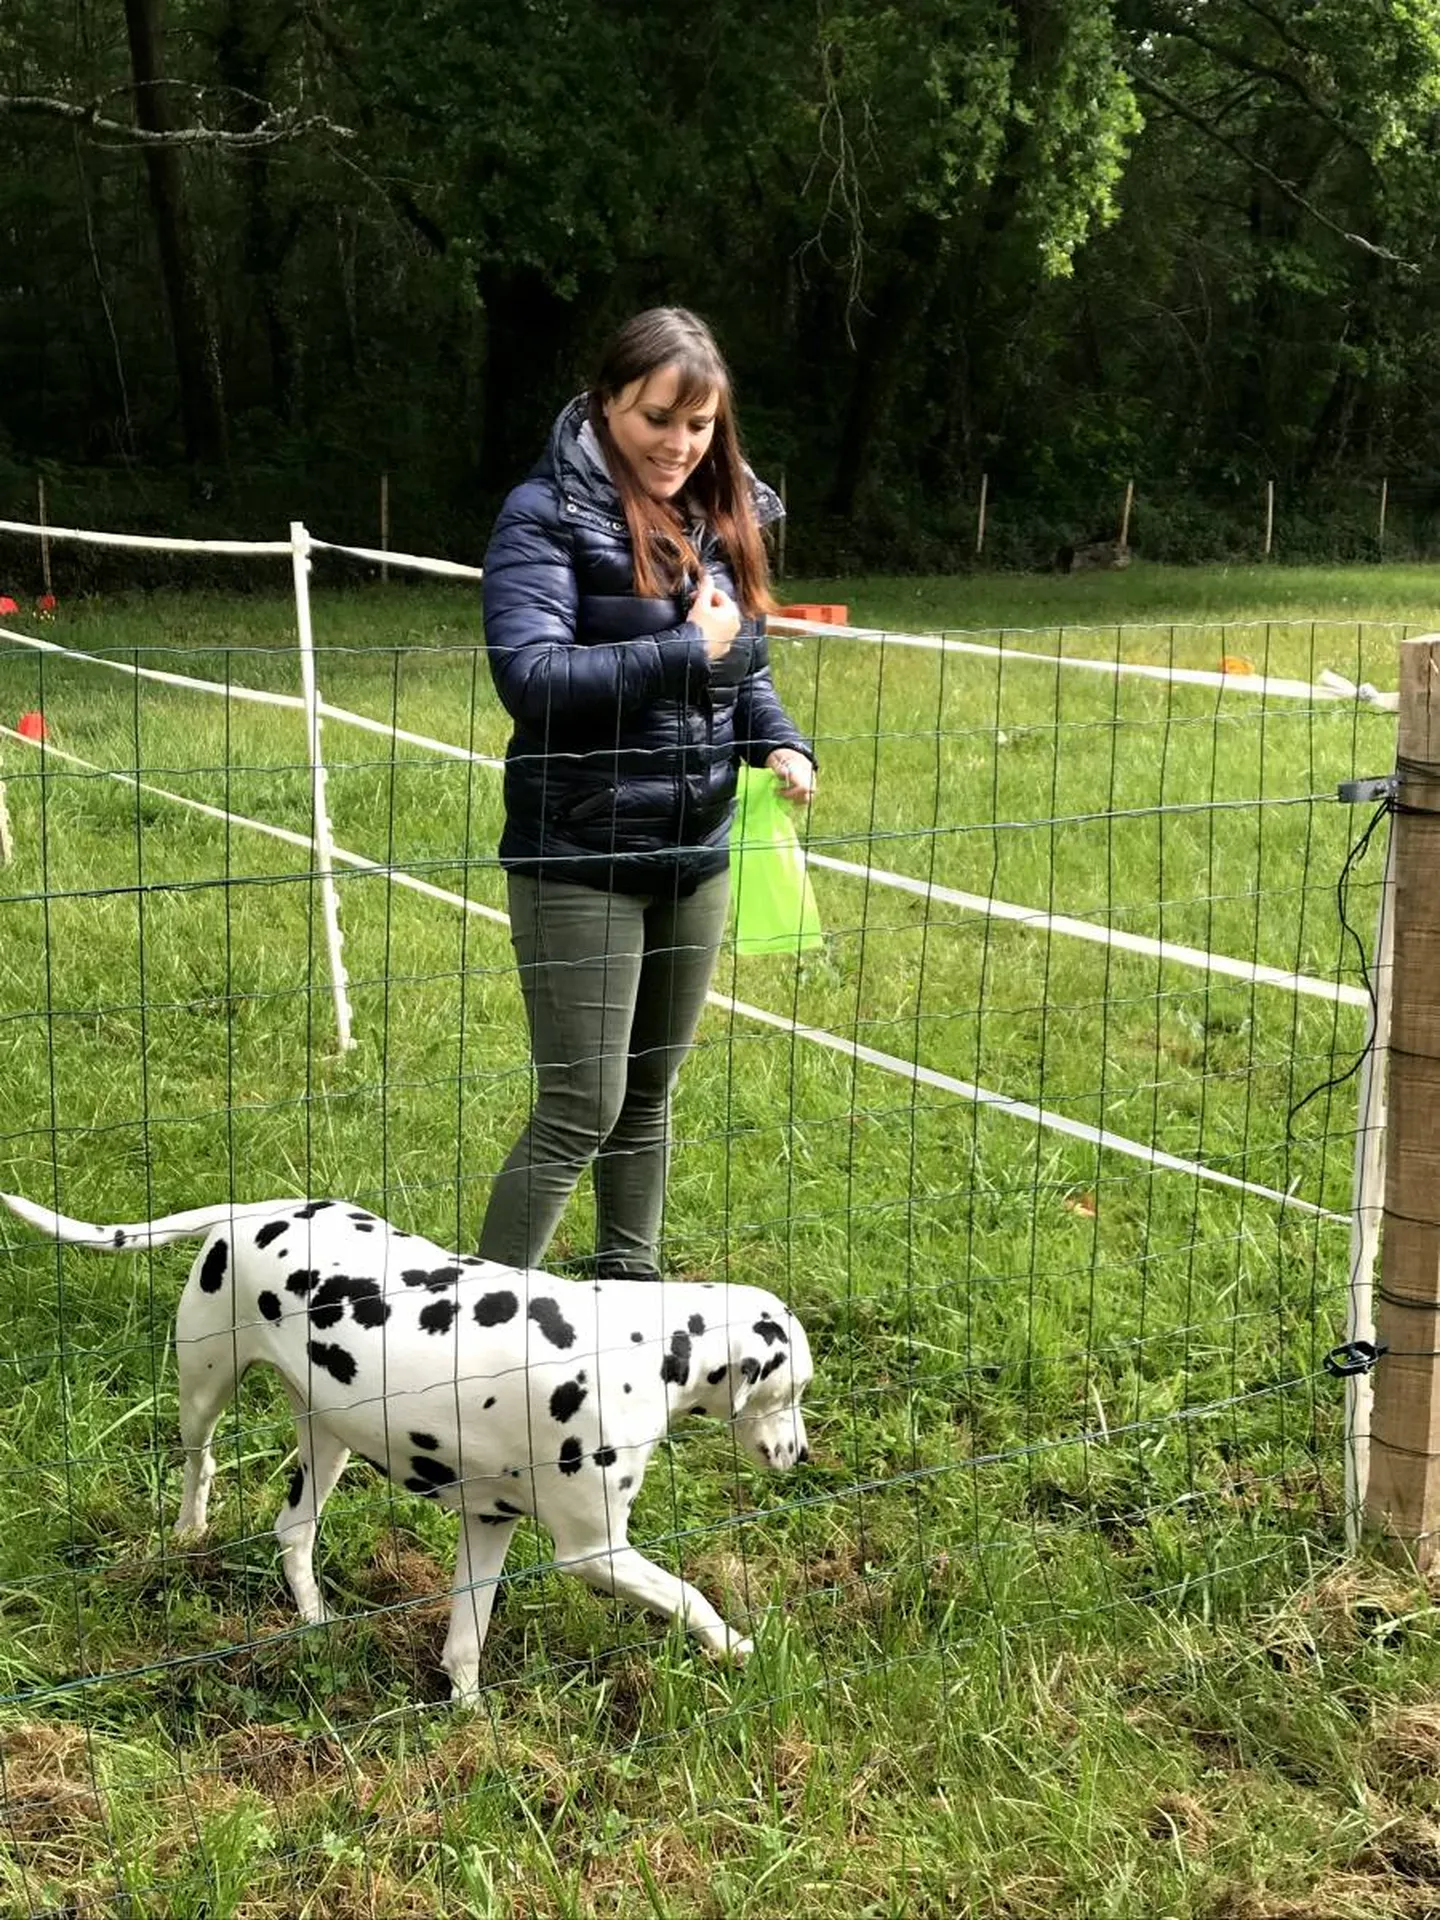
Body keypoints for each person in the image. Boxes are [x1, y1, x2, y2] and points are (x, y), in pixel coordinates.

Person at [477, 306, 817, 1279]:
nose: (678, 444)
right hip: (578, 852)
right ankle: (463, 1336)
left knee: (650, 1089)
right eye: (657, 417)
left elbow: (738, 666)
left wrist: (780, 742)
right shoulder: (543, 515)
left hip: (695, 851)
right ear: (605, 402)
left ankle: (625, 1285)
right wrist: (682, 650)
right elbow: (531, 680)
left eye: (699, 424)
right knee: (581, 1101)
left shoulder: (720, 517)